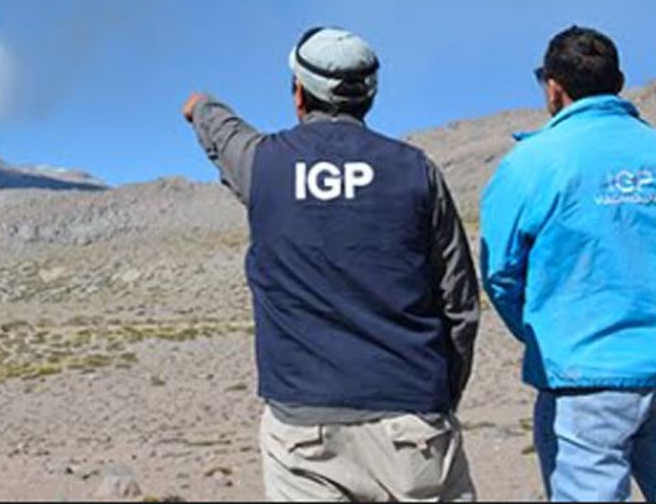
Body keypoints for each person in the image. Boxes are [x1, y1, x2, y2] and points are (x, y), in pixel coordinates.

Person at [184, 26, 479, 502]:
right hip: (412, 422)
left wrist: (201, 106)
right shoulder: (416, 170)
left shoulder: (265, 165)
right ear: (370, 97)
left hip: (305, 429)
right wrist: (438, 396)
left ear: (298, 93)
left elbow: (223, 133)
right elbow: (459, 302)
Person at [481, 26, 656, 502]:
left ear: (553, 87)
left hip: (582, 379)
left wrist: (544, 331)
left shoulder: (532, 161)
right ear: (618, 81)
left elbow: (501, 273)